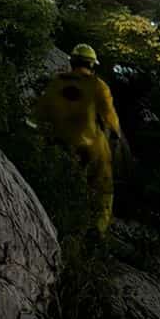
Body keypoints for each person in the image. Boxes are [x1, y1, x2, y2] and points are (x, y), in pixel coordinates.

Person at [36, 43, 123, 232]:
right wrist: (116, 137)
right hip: (91, 149)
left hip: (61, 146)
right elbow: (110, 119)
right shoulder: (98, 86)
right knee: (103, 191)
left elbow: (40, 114)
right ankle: (97, 234)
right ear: (92, 64)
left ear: (72, 62)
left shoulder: (57, 83)